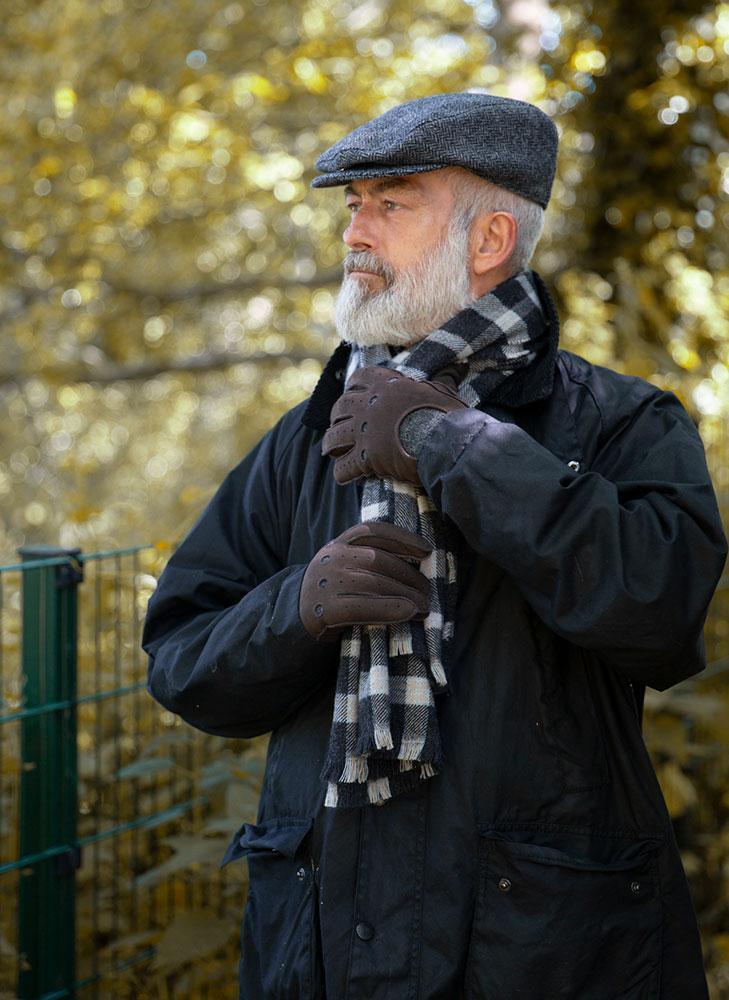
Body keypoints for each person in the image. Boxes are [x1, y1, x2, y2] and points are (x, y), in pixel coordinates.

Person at [141, 92, 728, 999]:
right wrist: (297, 608)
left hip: (545, 953)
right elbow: (181, 660)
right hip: (318, 954)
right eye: (353, 205)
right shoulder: (309, 435)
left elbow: (658, 610)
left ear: (489, 238)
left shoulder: (620, 422)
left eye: (390, 204)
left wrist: (446, 443)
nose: (355, 234)